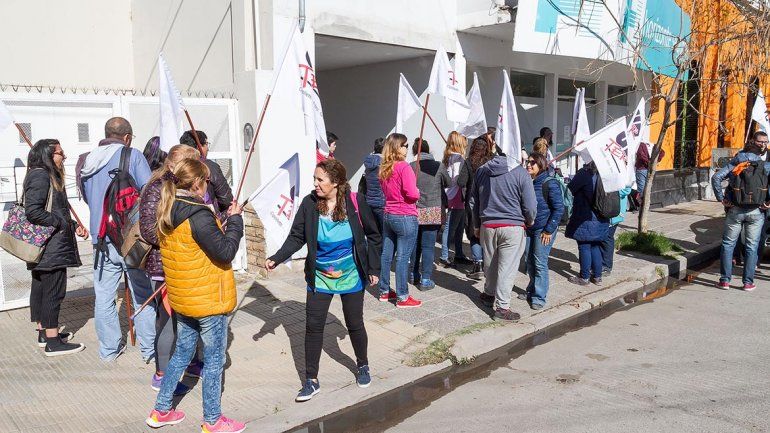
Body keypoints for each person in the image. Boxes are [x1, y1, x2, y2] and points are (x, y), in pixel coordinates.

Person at [265, 159, 381, 401]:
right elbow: (297, 236)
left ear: (336, 182)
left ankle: (363, 365)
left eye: (320, 179)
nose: (315, 184)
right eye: (314, 179)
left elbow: (373, 235)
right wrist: (278, 258)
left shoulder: (355, 202)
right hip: (319, 278)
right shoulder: (309, 204)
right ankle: (311, 380)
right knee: (313, 326)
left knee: (355, 323)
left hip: (351, 275)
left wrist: (373, 267)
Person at [146, 158, 245, 432]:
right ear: (198, 183)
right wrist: (236, 221)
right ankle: (212, 420)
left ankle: (161, 410)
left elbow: (199, 245)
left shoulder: (166, 209)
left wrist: (223, 222)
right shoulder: (197, 214)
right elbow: (225, 252)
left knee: (181, 353)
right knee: (215, 361)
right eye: (207, 181)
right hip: (207, 298)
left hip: (184, 296)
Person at [78, 117, 155, 362]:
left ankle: (109, 351)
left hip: (100, 237)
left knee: (103, 296)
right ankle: (149, 350)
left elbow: (88, 198)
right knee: (141, 292)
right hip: (129, 238)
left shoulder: (85, 160)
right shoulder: (132, 156)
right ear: (128, 137)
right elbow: (149, 193)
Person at [140, 144, 203, 394]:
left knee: (191, 318)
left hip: (187, 263)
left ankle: (193, 362)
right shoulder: (156, 188)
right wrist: (180, 238)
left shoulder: (185, 187)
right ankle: (162, 373)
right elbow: (147, 229)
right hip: (165, 265)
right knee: (168, 322)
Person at [24, 139, 88, 356]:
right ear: (48, 156)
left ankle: (44, 333)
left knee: (42, 290)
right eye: (60, 153)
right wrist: (62, 224)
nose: (65, 156)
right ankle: (53, 341)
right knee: (53, 292)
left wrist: (71, 225)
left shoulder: (42, 174)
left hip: (46, 245)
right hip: (50, 247)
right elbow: (33, 211)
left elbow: (54, 209)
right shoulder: (41, 175)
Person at [471, 150, 537, 322]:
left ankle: (488, 294)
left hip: (488, 224)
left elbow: (474, 200)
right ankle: (502, 307)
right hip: (512, 226)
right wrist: (530, 220)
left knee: (490, 264)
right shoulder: (521, 172)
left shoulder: (481, 170)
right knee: (506, 268)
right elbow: (530, 205)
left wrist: (476, 224)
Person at [710, 138, 769, 291]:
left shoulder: (735, 162)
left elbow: (716, 177)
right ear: (759, 152)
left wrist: (721, 198)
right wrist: (768, 202)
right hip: (756, 211)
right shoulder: (765, 165)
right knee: (751, 246)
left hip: (735, 209)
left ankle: (724, 281)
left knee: (728, 244)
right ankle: (748, 283)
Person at [378, 133, 422, 308]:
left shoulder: (384, 167)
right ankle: (403, 296)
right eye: (404, 145)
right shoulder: (404, 167)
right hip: (404, 214)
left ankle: (384, 290)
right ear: (397, 147)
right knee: (403, 257)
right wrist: (417, 191)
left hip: (388, 214)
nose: (406, 148)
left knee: (387, 255)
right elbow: (412, 193)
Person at [521, 152, 564, 310]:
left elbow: (558, 209)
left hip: (544, 229)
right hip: (530, 228)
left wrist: (549, 230)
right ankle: (531, 290)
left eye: (532, 162)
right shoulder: (528, 182)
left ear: (541, 164)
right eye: (527, 162)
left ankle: (539, 296)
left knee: (540, 262)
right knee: (529, 261)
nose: (529, 165)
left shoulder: (549, 183)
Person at [410, 139, 450, 290]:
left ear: (415, 152)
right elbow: (449, 183)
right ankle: (426, 279)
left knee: (415, 245)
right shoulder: (438, 165)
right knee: (428, 246)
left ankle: (414, 274)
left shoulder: (412, 166)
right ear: (429, 150)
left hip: (415, 210)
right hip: (433, 210)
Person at [565, 162, 610, 286]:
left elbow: (571, 188)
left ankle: (584, 277)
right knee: (595, 245)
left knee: (584, 245)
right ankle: (597, 277)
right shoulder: (607, 174)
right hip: (601, 216)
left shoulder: (584, 173)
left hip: (585, 216)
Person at [460, 136, 495, 280]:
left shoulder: (469, 162)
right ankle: (487, 264)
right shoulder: (491, 161)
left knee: (473, 233)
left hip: (472, 201)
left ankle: (478, 264)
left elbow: (461, 182)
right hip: (489, 200)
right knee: (486, 233)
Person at [180, 130, 233, 214]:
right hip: (207, 217)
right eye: (206, 144)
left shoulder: (177, 165)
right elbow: (226, 200)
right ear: (198, 147)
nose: (208, 148)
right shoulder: (209, 166)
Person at [440, 132, 470, 267]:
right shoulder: (458, 158)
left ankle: (458, 253)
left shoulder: (448, 156)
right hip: (457, 194)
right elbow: (458, 178)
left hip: (451, 194)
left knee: (458, 227)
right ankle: (444, 256)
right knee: (451, 227)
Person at [601, 186, 632, 277]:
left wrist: (608, 192)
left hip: (614, 210)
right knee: (602, 238)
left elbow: (627, 189)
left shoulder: (623, 173)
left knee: (607, 238)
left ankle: (606, 266)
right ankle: (600, 264)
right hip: (604, 208)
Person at [357, 137, 386, 231]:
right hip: (382, 202)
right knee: (384, 233)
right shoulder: (386, 163)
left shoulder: (368, 161)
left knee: (373, 233)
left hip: (369, 200)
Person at [634, 141, 665, 207]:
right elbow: (641, 155)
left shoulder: (644, 145)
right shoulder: (649, 145)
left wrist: (653, 162)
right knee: (644, 187)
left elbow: (641, 155)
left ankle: (642, 203)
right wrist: (652, 163)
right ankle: (642, 203)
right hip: (645, 169)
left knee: (644, 187)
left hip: (644, 169)